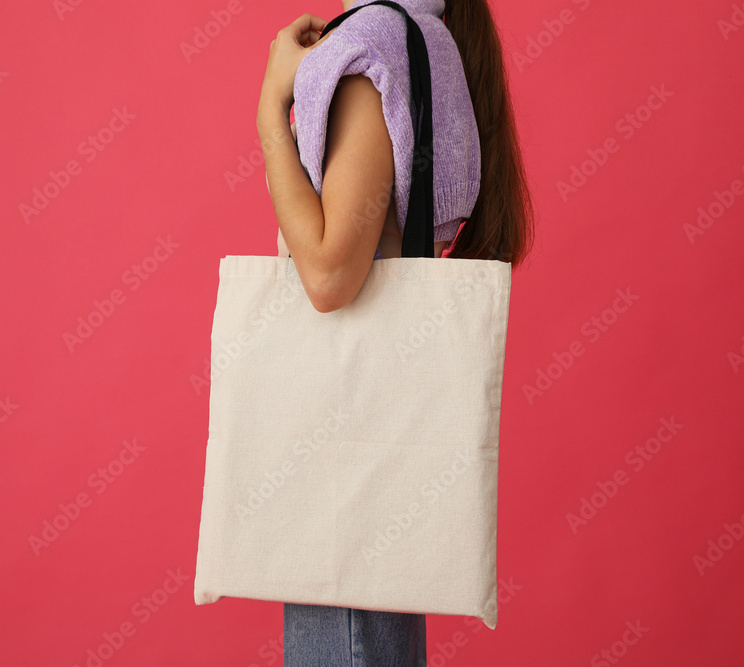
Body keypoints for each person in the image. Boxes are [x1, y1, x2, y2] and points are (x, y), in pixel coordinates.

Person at [256, 0, 533, 662]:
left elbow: (326, 275)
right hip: (375, 408)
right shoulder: (418, 37)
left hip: (341, 418)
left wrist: (272, 108)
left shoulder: (373, 42)